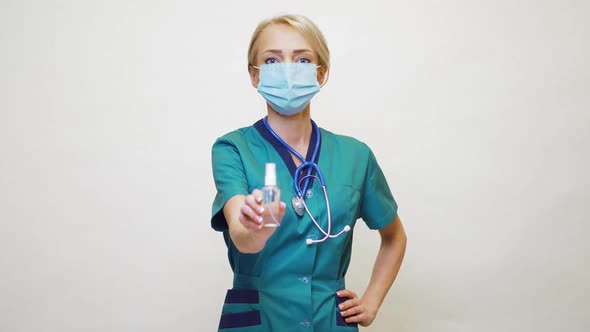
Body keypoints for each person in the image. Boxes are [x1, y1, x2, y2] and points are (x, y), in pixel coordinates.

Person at [210, 13, 407, 331]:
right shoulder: (232, 148)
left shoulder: (355, 156)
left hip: (329, 321)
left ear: (321, 72)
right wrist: (254, 232)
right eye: (272, 60)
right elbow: (241, 234)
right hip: (261, 321)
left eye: (302, 60)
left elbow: (394, 236)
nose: (287, 70)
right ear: (254, 74)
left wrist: (371, 302)